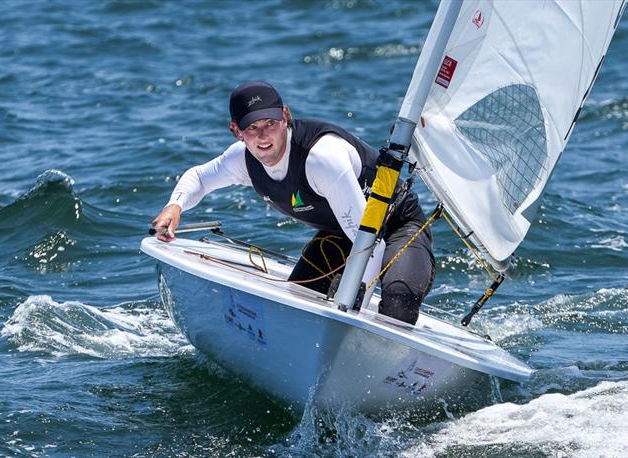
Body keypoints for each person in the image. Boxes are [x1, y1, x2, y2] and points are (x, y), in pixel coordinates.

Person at [151, 81, 434, 325]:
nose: (264, 136)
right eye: (252, 128)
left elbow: (370, 246)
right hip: (343, 234)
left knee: (398, 302)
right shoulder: (243, 160)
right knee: (299, 302)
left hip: (397, 227)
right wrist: (175, 206)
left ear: (285, 116)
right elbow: (200, 177)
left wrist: (349, 311)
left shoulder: (322, 159)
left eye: (271, 124)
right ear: (236, 130)